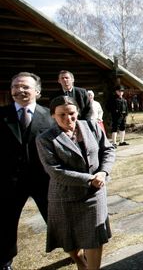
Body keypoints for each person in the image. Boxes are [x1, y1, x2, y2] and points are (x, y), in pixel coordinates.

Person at [36, 95, 116, 270]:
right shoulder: (45, 139)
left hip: (94, 196)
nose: (68, 118)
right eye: (61, 115)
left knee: (94, 238)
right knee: (70, 241)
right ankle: (81, 263)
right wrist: (90, 179)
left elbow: (108, 150)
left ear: (77, 112)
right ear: (53, 116)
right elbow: (55, 171)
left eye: (71, 113)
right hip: (65, 198)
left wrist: (103, 172)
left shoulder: (91, 127)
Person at [1, 72, 55, 270]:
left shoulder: (50, 116)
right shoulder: (1, 115)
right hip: (9, 182)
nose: (19, 90)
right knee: (5, 223)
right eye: (15, 86)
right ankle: (5, 260)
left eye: (25, 86)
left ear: (37, 91)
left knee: (55, 218)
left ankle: (73, 250)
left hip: (43, 180)